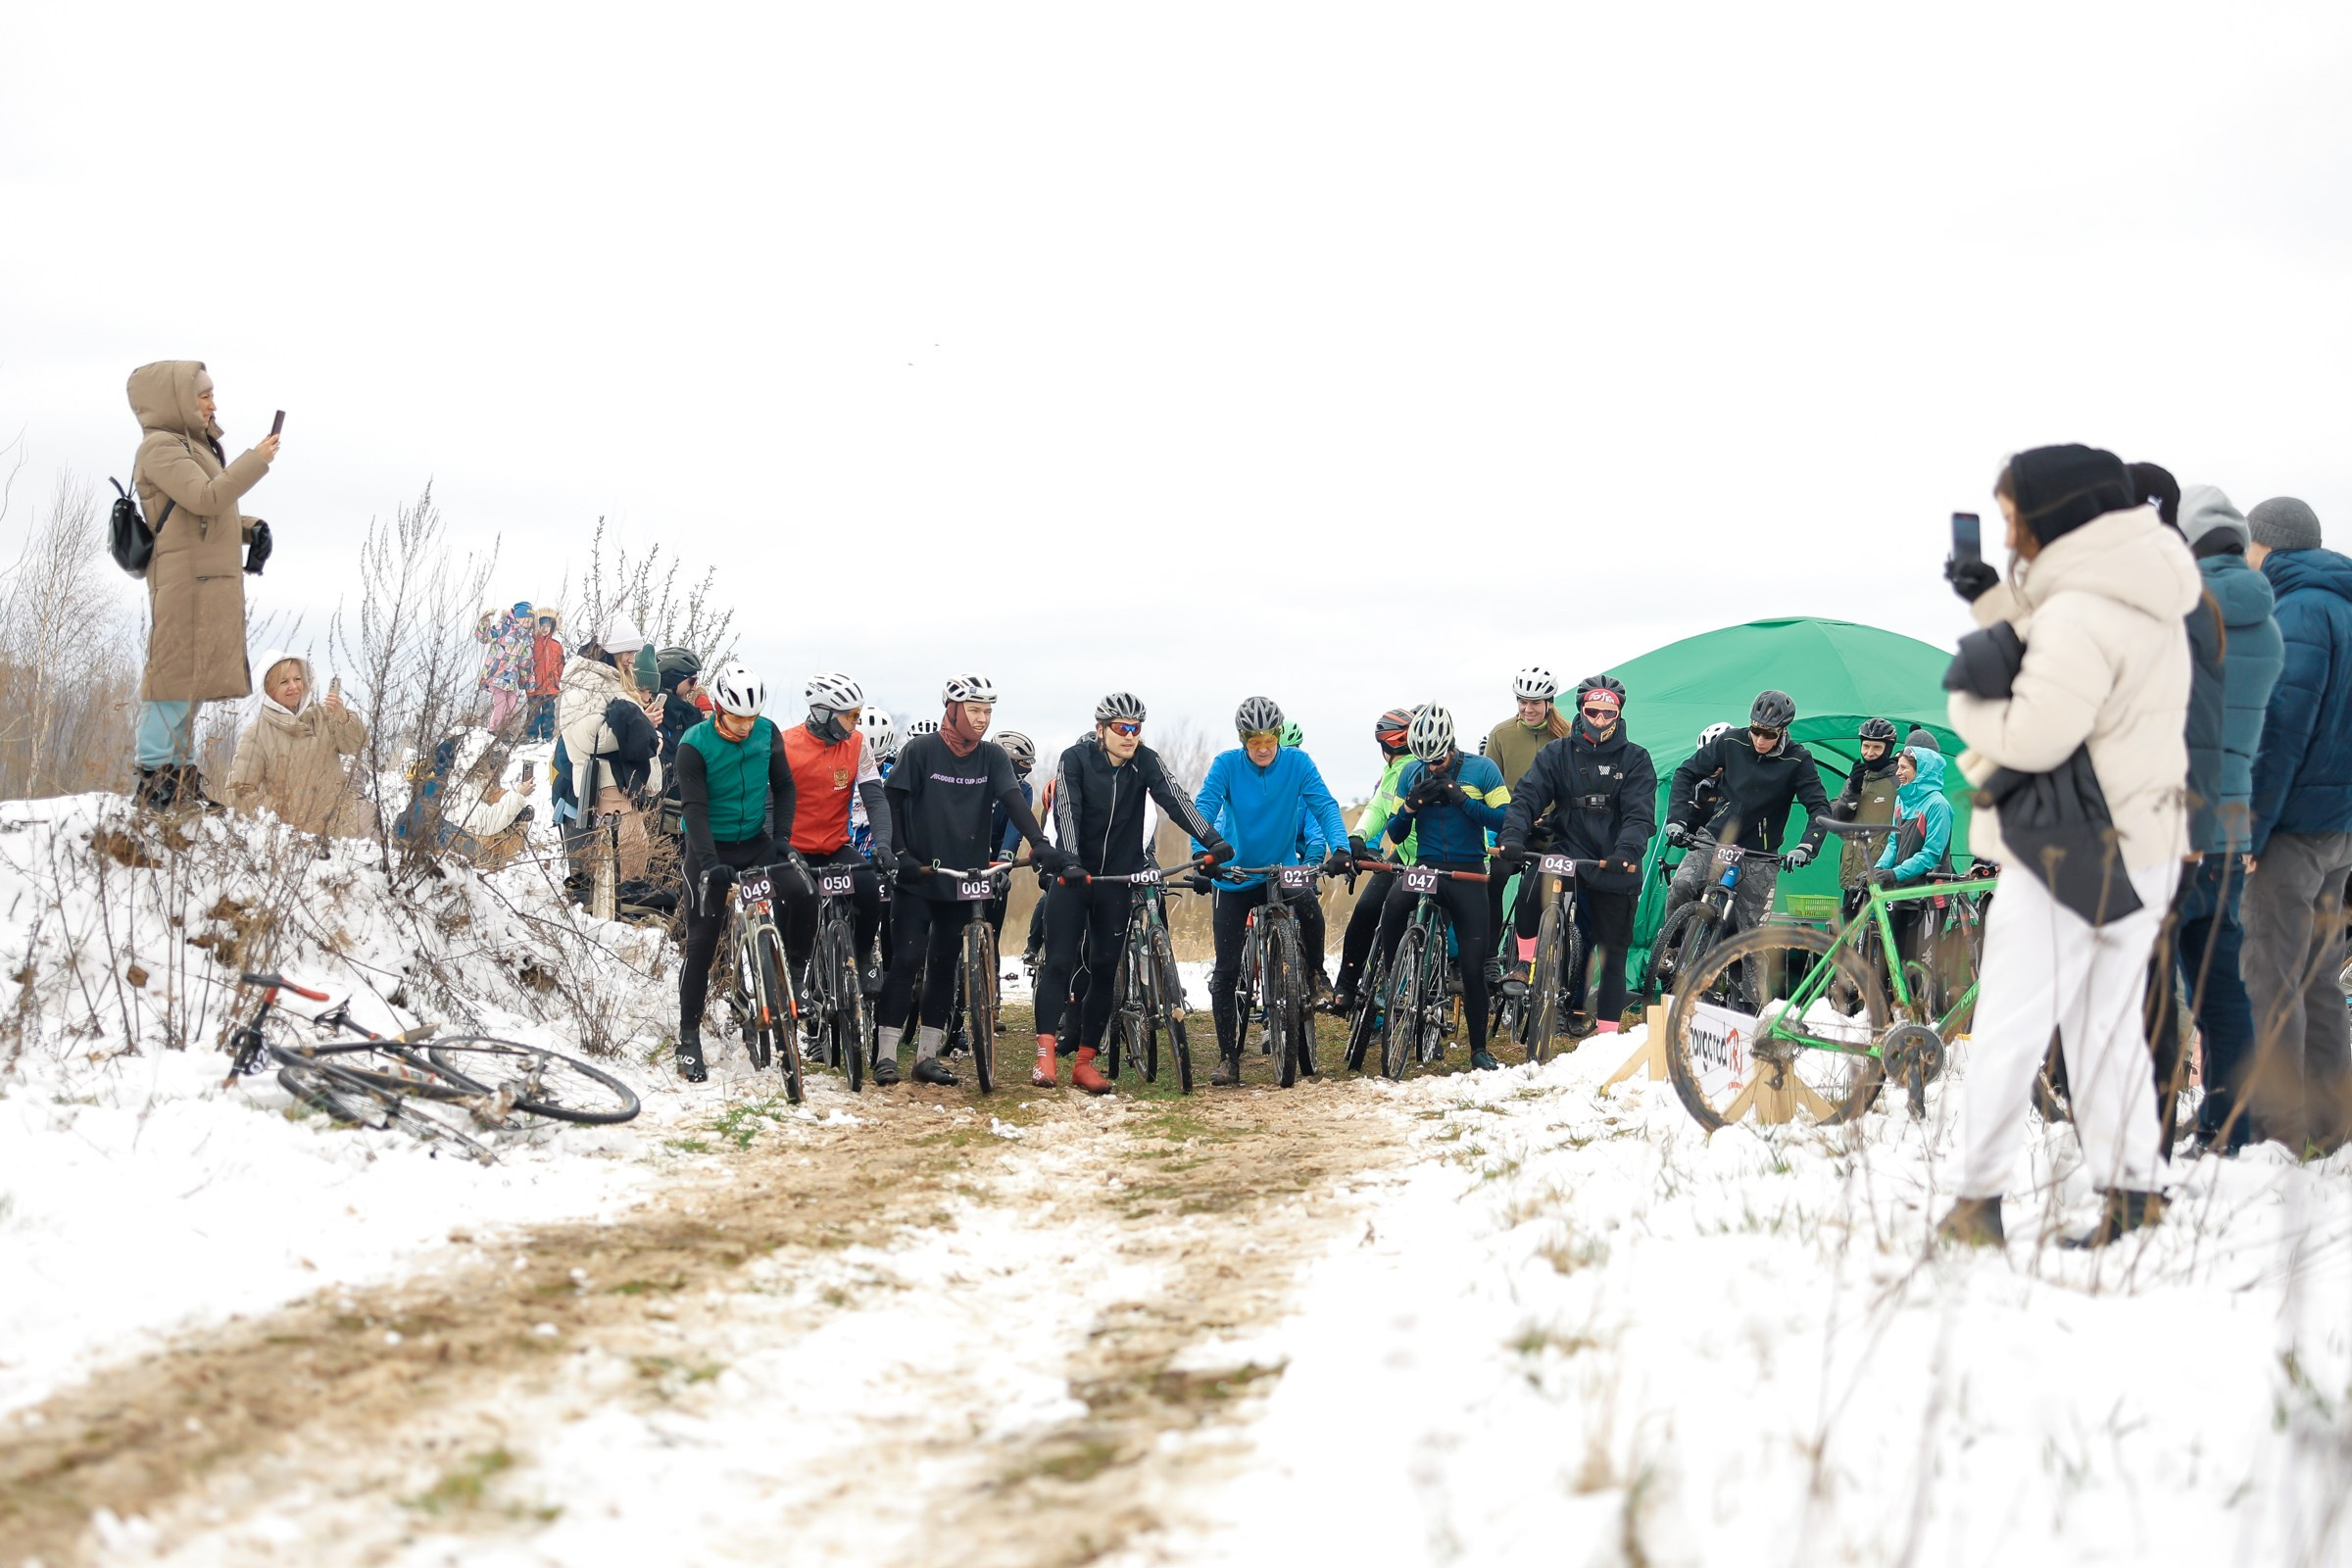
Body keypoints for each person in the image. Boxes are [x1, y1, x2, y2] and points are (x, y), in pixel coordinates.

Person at [1936, 444, 2199, 1248]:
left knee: (2011, 1026)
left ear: (2053, 515)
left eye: (2014, 517)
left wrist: (1961, 703)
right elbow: (2068, 658)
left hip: (2069, 848)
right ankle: (2133, 1188)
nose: (2009, 535)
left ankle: (1977, 1202)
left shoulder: (2081, 612)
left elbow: (2034, 732)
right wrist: (1995, 609)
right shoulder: (2144, 593)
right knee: (2106, 1027)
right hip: (2146, 842)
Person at [2142, 485, 2280, 1156]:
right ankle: (2232, 1130)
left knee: (2153, 995)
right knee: (2225, 993)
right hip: (2231, 835)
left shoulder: (2187, 614)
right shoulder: (2270, 624)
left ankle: (2151, 1138)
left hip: (2173, 832)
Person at [878, 674, 1069, 1086]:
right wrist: (898, 854)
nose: (982, 719)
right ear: (952, 709)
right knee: (907, 961)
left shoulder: (992, 759)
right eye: (974, 710)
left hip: (962, 878)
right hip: (918, 876)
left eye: (987, 712)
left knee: (945, 967)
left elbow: (1014, 802)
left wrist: (1038, 843)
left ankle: (927, 1057)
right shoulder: (920, 752)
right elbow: (890, 804)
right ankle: (887, 1054)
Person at [1035, 694, 1228, 1093]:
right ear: (1101, 728)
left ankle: (1085, 1063)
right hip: (1074, 877)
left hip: (1117, 881)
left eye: (1136, 728)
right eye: (1122, 728)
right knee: (1058, 963)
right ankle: (1046, 1057)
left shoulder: (1146, 761)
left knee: (1105, 968)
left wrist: (1212, 840)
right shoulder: (1076, 758)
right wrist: (1069, 860)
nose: (1130, 736)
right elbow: (1066, 808)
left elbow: (1175, 799)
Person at [2239, 496, 2352, 1157]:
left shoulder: (2298, 612)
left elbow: (2281, 731)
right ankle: (2331, 1129)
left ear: (2269, 546)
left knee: (2271, 974)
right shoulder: (2343, 604)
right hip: (2341, 831)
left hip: (2293, 830)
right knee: (2318, 978)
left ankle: (2277, 1134)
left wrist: (2254, 828)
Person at [126, 360, 279, 809]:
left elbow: (209, 514)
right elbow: (206, 498)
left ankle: (181, 779)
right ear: (176, 400)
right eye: (204, 395)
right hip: (182, 580)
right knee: (172, 680)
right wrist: (257, 460)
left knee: (190, 685)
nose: (213, 403)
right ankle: (155, 780)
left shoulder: (195, 446)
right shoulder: (160, 448)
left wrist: (252, 529)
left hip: (204, 579)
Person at [1193, 697, 1352, 1085]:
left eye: (1269, 739)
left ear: (1279, 735)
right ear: (1242, 739)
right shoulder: (1227, 765)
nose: (1263, 748)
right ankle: (1229, 1057)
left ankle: (1314, 974)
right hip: (1234, 874)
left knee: (1309, 908)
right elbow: (1203, 805)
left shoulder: (1298, 764)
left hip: (1282, 871)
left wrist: (1342, 848)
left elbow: (1326, 806)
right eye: (1254, 741)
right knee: (1227, 969)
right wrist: (1201, 855)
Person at [1495, 676, 1655, 1038]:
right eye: (1592, 712)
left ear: (1618, 713)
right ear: (1581, 711)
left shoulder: (1636, 759)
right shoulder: (1556, 754)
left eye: (1608, 713)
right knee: (1534, 877)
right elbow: (1526, 798)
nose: (1600, 720)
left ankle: (1607, 1037)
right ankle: (1524, 962)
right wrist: (1512, 837)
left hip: (1615, 860)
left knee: (1612, 952)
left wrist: (1627, 851)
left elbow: (1639, 815)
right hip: (1568, 848)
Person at [673, 664, 797, 1084]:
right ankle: (687, 1037)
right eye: (738, 718)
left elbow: (784, 786)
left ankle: (791, 986)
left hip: (755, 841)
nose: (747, 726)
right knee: (703, 941)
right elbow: (695, 810)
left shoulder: (767, 732)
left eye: (752, 718)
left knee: (801, 891)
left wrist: (781, 837)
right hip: (710, 849)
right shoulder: (695, 745)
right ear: (720, 708)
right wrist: (710, 865)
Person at [1373, 706, 1510, 1069]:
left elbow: (1504, 817)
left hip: (1468, 872)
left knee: (1471, 965)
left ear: (1450, 744)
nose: (1432, 767)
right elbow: (1396, 833)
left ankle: (1478, 1049)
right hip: (1427, 867)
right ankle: (1393, 981)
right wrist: (1411, 806)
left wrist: (1461, 799)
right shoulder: (1411, 774)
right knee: (1393, 904)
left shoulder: (1482, 770)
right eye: (1425, 760)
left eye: (1437, 760)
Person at [1659, 691, 1830, 940]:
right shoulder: (1730, 741)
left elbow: (1819, 808)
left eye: (1769, 734)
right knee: (1682, 885)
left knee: (1750, 938)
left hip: (1759, 854)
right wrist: (1677, 819)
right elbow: (1685, 773)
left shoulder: (1798, 759)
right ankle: (1671, 949)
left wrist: (1806, 846)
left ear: (1782, 730)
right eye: (1755, 730)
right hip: (1715, 839)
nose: (1760, 740)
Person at [774, 672, 892, 999]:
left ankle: (864, 954)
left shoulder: (857, 744)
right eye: (850, 717)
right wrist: (778, 847)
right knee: (800, 907)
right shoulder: (785, 745)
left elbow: (875, 798)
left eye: (858, 715)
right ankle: (797, 977)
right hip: (793, 849)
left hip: (835, 846)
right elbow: (767, 804)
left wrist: (882, 845)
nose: (856, 723)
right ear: (824, 714)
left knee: (871, 888)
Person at [558, 618, 664, 884]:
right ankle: (615, 921)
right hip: (606, 785)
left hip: (620, 783)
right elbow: (588, 737)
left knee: (631, 857)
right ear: (612, 650)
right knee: (624, 864)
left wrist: (644, 726)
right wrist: (643, 727)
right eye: (627, 652)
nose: (632, 659)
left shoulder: (606, 678)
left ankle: (619, 919)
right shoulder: (586, 680)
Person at [1484, 668, 1571, 989]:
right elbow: (1487, 785)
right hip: (1513, 827)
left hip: (1554, 832)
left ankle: (1537, 961)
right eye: (1522, 701)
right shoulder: (1501, 734)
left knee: (1529, 892)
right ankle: (1490, 958)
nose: (1528, 709)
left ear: (1549, 702)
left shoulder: (1566, 736)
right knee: (1494, 879)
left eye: (1535, 702)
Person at [224, 652, 368, 838]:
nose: (293, 686)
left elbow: (355, 746)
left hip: (341, 836)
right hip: (294, 843)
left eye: (297, 679)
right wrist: (279, 809)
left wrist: (343, 718)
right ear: (268, 688)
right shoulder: (257, 734)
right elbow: (238, 793)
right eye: (284, 682)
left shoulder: (324, 717)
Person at [1332, 707, 1418, 1011]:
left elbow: (1378, 813)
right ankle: (1351, 984)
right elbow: (1378, 809)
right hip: (1404, 857)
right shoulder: (1391, 772)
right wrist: (1360, 838)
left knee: (1366, 912)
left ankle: (1346, 985)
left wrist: (1360, 839)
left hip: (1429, 860)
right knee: (1369, 908)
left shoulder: (1410, 767)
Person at [1862, 745, 1952, 968]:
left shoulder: (1938, 805)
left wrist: (1894, 873)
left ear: (1921, 771)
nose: (1898, 772)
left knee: (1920, 966)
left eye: (1904, 768)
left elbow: (1931, 855)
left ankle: (1925, 1004)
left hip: (1930, 896)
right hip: (1901, 890)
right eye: (1898, 767)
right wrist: (1879, 870)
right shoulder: (1902, 800)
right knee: (1894, 960)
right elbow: (1893, 842)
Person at [1831, 717, 1903, 902]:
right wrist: (1852, 791)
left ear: (1888, 749)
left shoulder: (1898, 781)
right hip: (1852, 877)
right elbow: (1836, 819)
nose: (1869, 753)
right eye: (1866, 746)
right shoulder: (1856, 777)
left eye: (1877, 748)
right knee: (1850, 928)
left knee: (1879, 930)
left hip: (1882, 877)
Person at [476, 603, 534, 733]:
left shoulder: (526, 639)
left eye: (530, 620)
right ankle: (493, 729)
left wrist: (527, 680)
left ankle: (505, 731)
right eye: (525, 618)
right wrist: (484, 621)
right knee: (501, 703)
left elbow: (525, 662)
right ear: (517, 617)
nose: (528, 622)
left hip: (511, 677)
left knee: (512, 706)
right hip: (495, 674)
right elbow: (484, 637)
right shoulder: (503, 628)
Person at [526, 609, 565, 741]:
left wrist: (558, 679)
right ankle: (531, 735)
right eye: (542, 625)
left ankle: (547, 736)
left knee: (549, 712)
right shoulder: (531, 642)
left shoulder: (556, 645)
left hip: (550, 684)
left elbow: (560, 664)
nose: (545, 629)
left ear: (552, 626)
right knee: (533, 711)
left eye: (548, 626)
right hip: (534, 683)